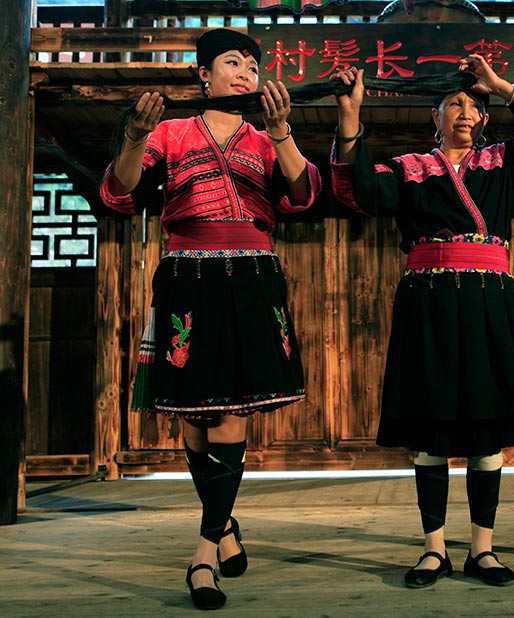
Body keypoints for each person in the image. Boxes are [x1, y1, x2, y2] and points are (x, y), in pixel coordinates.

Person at [100, 29, 321, 610]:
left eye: (252, 65)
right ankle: (224, 527)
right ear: (204, 74)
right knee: (196, 418)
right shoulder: (170, 133)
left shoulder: (265, 137)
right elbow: (121, 192)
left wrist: (282, 132)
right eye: (232, 63)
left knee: (230, 411)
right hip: (188, 277)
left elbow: (302, 195)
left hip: (250, 277)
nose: (245, 73)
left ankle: (202, 555)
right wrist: (134, 136)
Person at [330, 57, 514, 588]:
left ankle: (483, 549)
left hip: (489, 299)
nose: (465, 111)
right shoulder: (408, 167)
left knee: (487, 431)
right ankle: (434, 549)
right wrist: (350, 120)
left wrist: (501, 86)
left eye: (475, 105)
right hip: (428, 301)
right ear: (433, 117)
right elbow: (361, 192)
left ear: (485, 118)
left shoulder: (505, 159)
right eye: (454, 103)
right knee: (431, 429)